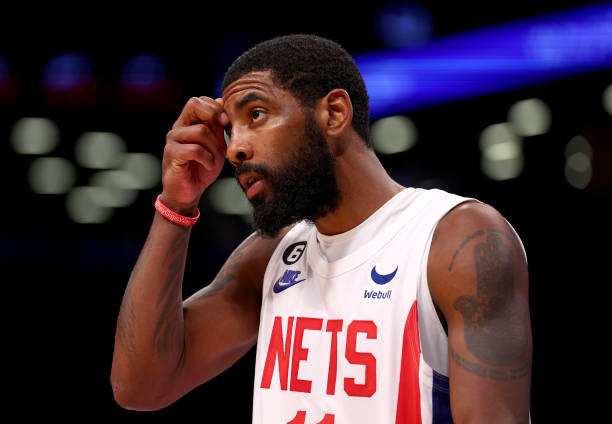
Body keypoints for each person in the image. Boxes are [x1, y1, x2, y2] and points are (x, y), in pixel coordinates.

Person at [111, 34, 532, 423]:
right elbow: (141, 386)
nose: (235, 148)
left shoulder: (454, 239)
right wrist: (175, 206)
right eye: (230, 129)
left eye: (256, 114)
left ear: (333, 113)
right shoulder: (272, 255)